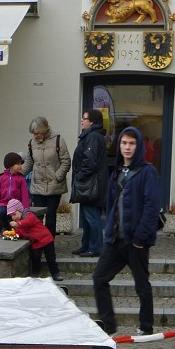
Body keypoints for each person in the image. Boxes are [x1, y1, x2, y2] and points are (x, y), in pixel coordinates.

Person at [94, 126, 159, 336]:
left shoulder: (148, 171)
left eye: (131, 143)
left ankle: (146, 326)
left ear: (138, 145)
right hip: (115, 240)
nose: (127, 147)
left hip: (136, 241)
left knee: (141, 285)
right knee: (99, 278)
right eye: (124, 143)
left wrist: (140, 238)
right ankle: (109, 325)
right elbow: (111, 204)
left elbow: (151, 206)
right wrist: (108, 231)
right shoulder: (117, 171)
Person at [23, 116, 71, 237]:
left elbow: (66, 161)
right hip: (38, 186)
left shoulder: (58, 140)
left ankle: (49, 244)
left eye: (37, 133)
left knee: (50, 216)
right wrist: (17, 173)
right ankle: (38, 243)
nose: (35, 136)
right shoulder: (31, 143)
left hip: (54, 186)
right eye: (33, 133)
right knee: (37, 216)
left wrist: (57, 176)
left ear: (44, 130)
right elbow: (29, 163)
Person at [70, 109, 109, 258]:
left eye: (84, 118)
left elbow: (89, 160)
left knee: (92, 216)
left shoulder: (92, 136)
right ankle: (86, 245)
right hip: (91, 183)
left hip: (91, 184)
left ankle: (95, 247)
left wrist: (80, 176)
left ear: (92, 121)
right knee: (87, 216)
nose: (82, 120)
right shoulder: (93, 136)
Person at [7, 199, 61, 282]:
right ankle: (35, 273)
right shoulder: (17, 222)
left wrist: (18, 224)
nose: (13, 217)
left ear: (20, 210)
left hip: (46, 239)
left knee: (51, 258)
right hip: (35, 242)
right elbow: (19, 233)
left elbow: (28, 222)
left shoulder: (28, 215)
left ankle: (55, 273)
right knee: (35, 258)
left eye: (14, 214)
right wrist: (12, 234)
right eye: (11, 216)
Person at [0, 151, 30, 232]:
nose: (20, 166)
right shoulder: (1, 178)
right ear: (10, 165)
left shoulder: (21, 179)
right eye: (17, 164)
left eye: (20, 164)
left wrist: (26, 210)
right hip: (4, 204)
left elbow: (25, 195)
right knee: (1, 211)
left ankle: (15, 229)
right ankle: (5, 228)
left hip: (17, 205)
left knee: (15, 214)